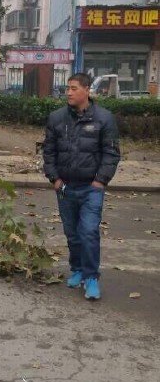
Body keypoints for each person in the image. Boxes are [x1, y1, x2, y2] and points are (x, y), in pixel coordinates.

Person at [43, 73, 120, 300]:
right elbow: (48, 151)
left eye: (74, 88)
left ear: (87, 90)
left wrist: (100, 181)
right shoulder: (57, 118)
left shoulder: (104, 119)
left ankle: (91, 278)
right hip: (65, 187)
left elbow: (111, 153)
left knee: (88, 232)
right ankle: (76, 269)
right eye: (67, 88)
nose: (68, 92)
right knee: (72, 233)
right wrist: (55, 179)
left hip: (91, 188)